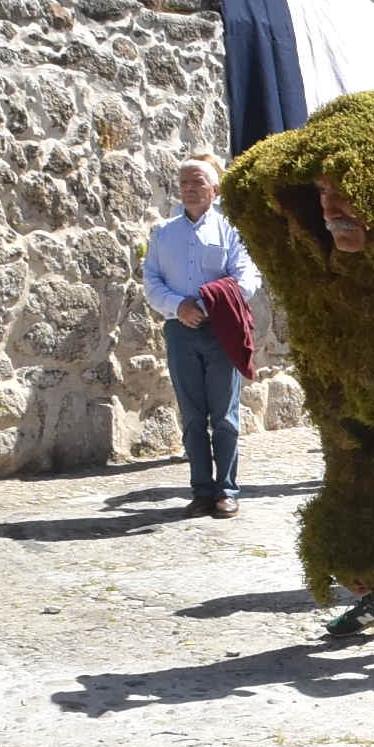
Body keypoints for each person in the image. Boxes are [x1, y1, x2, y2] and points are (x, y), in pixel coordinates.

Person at [141, 156, 260, 519]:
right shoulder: (164, 233)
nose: (190, 190)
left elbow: (247, 280)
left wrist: (208, 305)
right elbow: (152, 282)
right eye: (184, 184)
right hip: (181, 333)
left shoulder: (230, 232)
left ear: (215, 189)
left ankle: (227, 490)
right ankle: (201, 492)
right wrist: (179, 306)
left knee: (224, 415)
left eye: (198, 183)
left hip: (220, 331)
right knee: (192, 416)